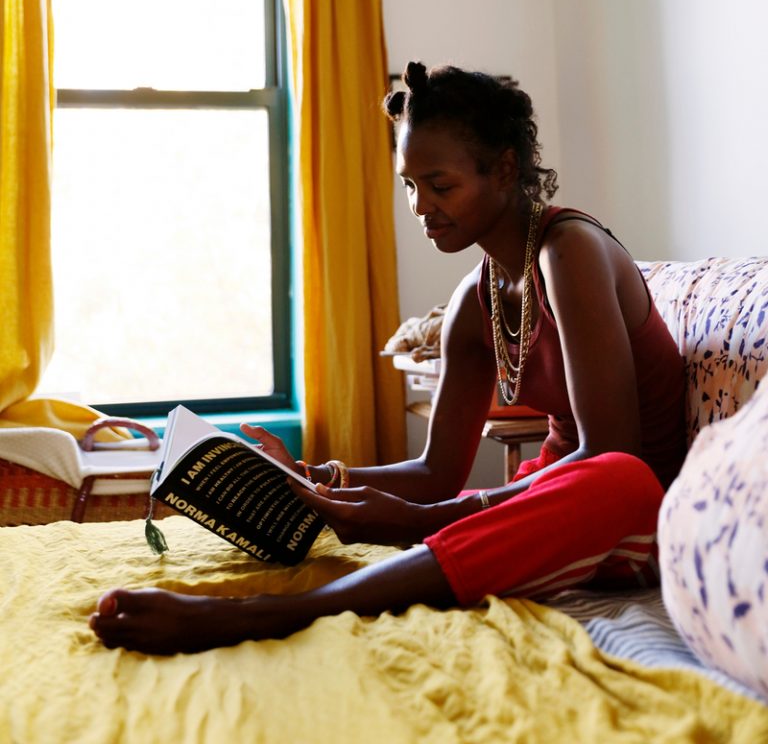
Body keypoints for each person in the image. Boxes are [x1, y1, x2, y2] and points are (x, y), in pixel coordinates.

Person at [90, 61, 686, 654]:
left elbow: (613, 453)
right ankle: (379, 555)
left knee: (617, 478)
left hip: (636, 513)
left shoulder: (570, 251)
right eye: (409, 185)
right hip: (547, 508)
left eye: (440, 184)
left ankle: (270, 614)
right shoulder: (472, 303)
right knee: (489, 500)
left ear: (504, 169)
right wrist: (312, 477)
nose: (421, 205)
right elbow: (435, 472)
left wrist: (413, 519)